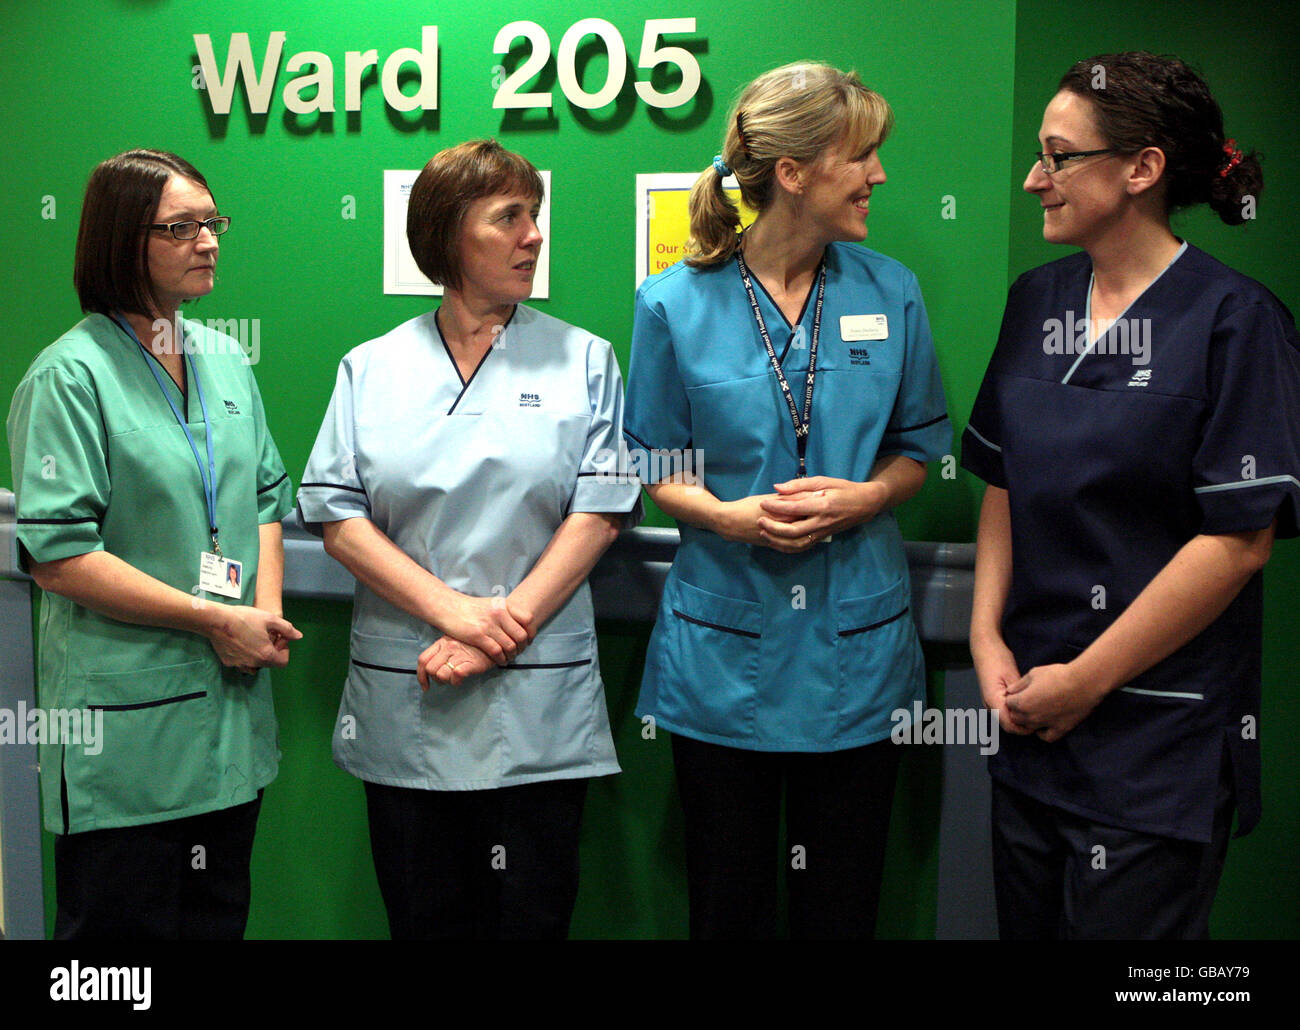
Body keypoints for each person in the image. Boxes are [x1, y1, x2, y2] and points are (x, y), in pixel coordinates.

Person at [962, 52, 1300, 939]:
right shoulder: (1037, 302)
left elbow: (1238, 541)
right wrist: (985, 632)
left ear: (1142, 168)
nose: (1036, 178)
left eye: (1059, 156)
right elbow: (1002, 476)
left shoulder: (1236, 320)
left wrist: (1088, 681)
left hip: (1157, 748)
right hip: (1031, 724)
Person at [623, 62, 950, 938]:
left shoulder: (892, 291)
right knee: (726, 907)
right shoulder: (671, 304)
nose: (879, 175)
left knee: (839, 910)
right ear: (795, 173)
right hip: (724, 655)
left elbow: (920, 450)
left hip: (857, 649)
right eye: (862, 156)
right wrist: (724, 516)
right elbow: (655, 464)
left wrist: (867, 497)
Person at [298, 139, 640, 940]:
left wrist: (494, 633)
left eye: (536, 216)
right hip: (411, 694)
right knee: (424, 919)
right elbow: (336, 517)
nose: (534, 236)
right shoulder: (371, 368)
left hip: (535, 701)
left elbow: (601, 511)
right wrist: (457, 615)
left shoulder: (584, 359)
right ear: (450, 235)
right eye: (510, 217)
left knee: (532, 919)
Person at [6, 149, 300, 939]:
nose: (208, 242)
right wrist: (214, 620)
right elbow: (60, 556)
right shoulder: (69, 377)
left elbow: (268, 496)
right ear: (120, 241)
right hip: (126, 746)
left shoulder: (228, 359)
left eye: (213, 222)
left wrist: (261, 614)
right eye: (182, 227)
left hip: (229, 727)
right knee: (116, 966)